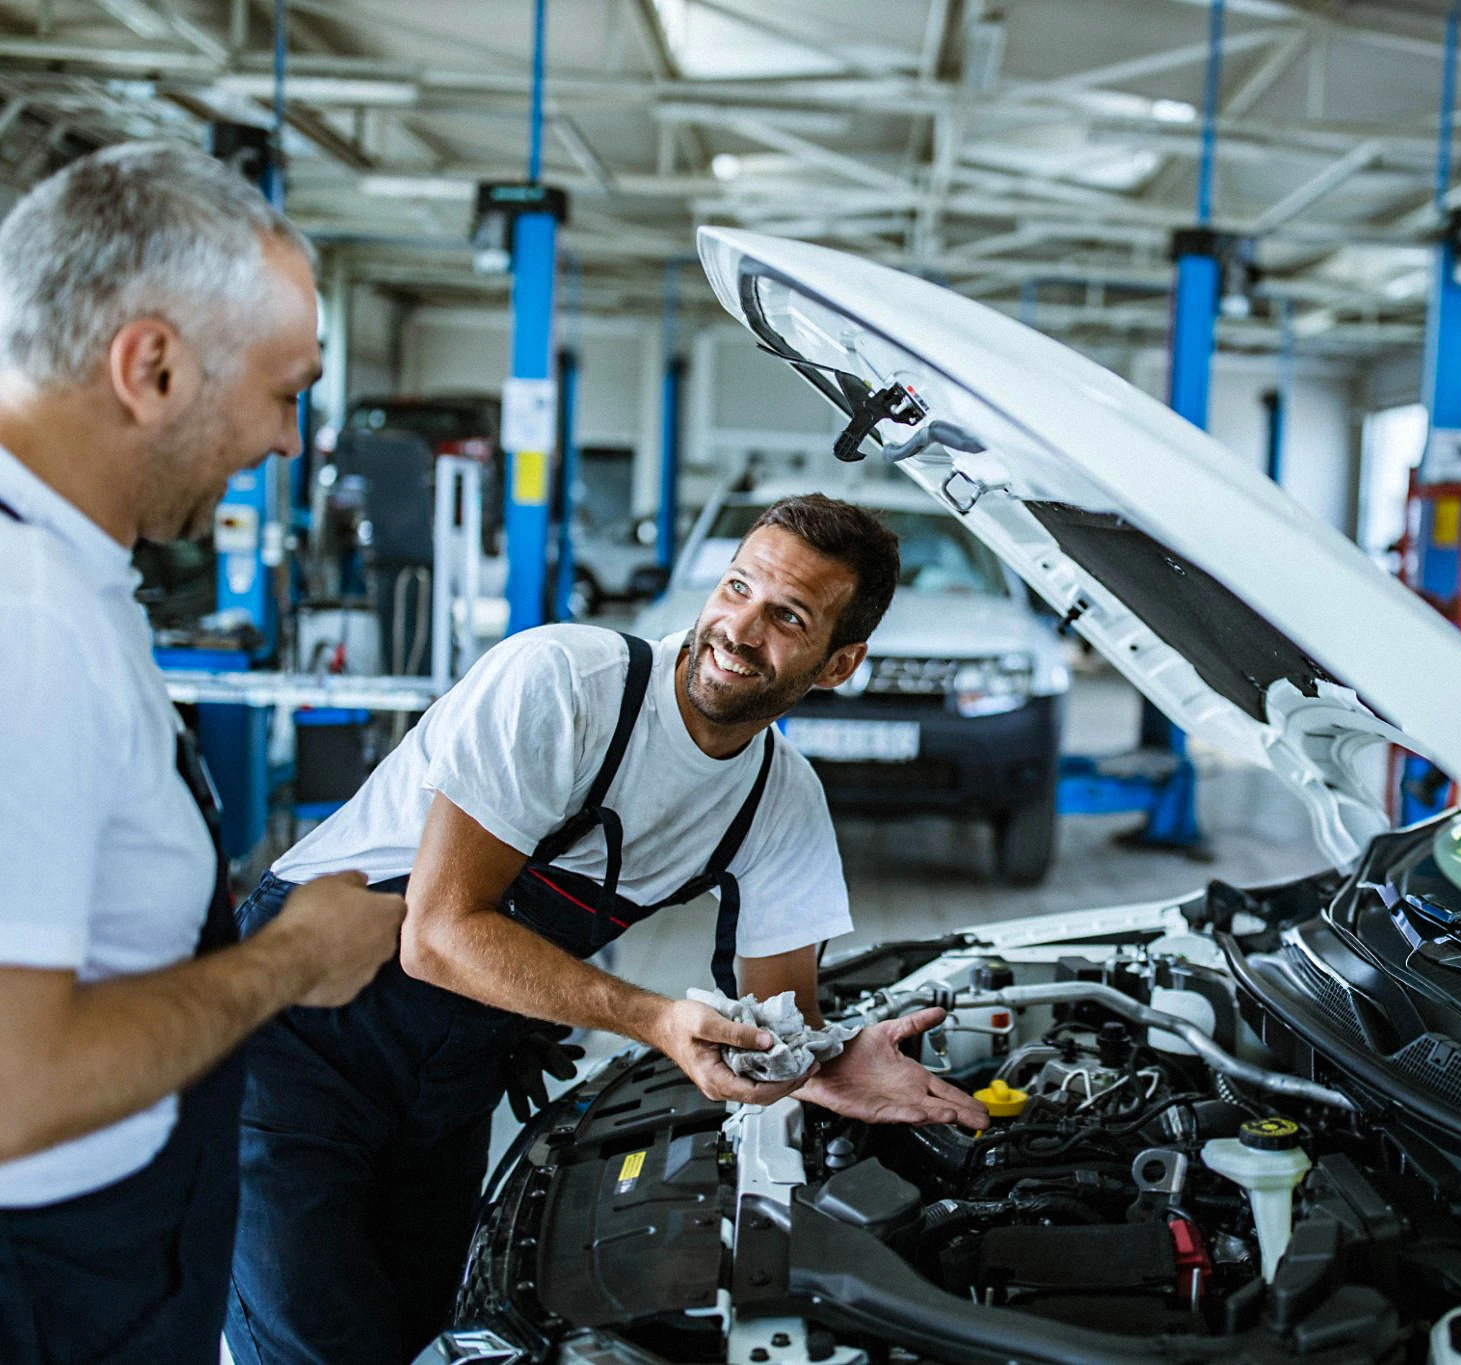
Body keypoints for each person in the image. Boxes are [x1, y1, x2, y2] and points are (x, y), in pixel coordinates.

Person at [228, 491, 992, 1365]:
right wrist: (653, 1018)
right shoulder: (564, 682)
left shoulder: (778, 802)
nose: (740, 629)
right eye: (737, 587)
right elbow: (435, 933)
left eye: (787, 615)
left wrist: (822, 1059)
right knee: (310, 1347)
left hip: (448, 1079)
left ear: (838, 663)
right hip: (297, 1040)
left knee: (424, 1340)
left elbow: (779, 1020)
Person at [0, 143, 405, 1365]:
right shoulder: (30, 620)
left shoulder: (64, 575)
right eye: (288, 393)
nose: (290, 445)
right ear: (153, 366)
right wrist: (288, 958)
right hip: (50, 1288)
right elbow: (15, 1089)